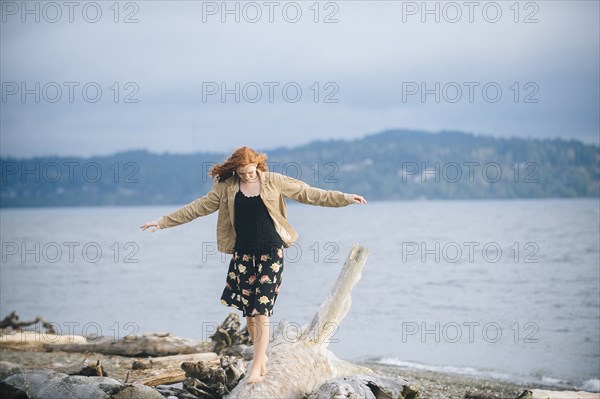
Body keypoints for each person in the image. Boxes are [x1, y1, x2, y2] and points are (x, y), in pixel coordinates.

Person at [140, 146, 367, 384]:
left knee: (261, 311)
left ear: (257, 166)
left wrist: (345, 198)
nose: (248, 175)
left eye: (250, 171)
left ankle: (257, 367)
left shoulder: (274, 181)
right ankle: (262, 359)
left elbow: (310, 194)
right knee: (249, 315)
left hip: (271, 253)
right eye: (242, 172)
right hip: (243, 256)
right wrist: (163, 222)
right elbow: (196, 208)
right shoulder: (227, 189)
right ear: (235, 169)